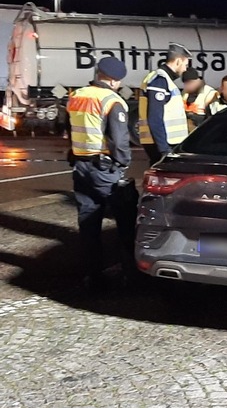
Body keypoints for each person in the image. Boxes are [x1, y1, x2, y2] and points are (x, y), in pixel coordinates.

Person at [68, 57, 134, 288]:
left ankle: (92, 275)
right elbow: (119, 140)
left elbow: (72, 129)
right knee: (126, 219)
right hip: (105, 168)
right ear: (115, 79)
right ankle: (131, 273)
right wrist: (123, 163)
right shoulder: (112, 101)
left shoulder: (77, 95)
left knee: (88, 222)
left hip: (80, 166)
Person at [138, 42, 192, 165]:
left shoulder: (162, 79)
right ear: (178, 61)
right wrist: (164, 149)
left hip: (161, 141)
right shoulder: (160, 80)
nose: (185, 69)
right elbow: (155, 117)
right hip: (162, 142)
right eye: (185, 64)